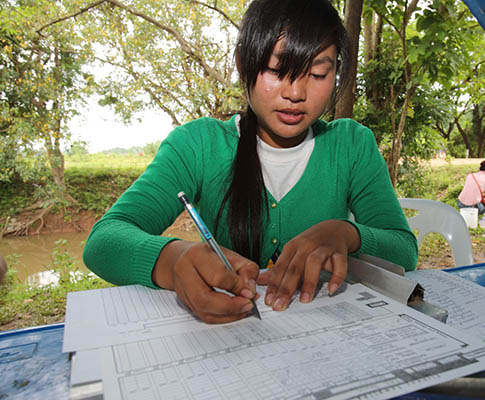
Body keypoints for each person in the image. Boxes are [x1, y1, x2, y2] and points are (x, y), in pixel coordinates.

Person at [83, 0, 418, 324]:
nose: (296, 93)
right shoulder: (198, 146)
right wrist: (174, 260)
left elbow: (403, 250)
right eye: (276, 70)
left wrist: (346, 234)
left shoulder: (351, 145)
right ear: (244, 63)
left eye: (317, 74)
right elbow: (104, 240)